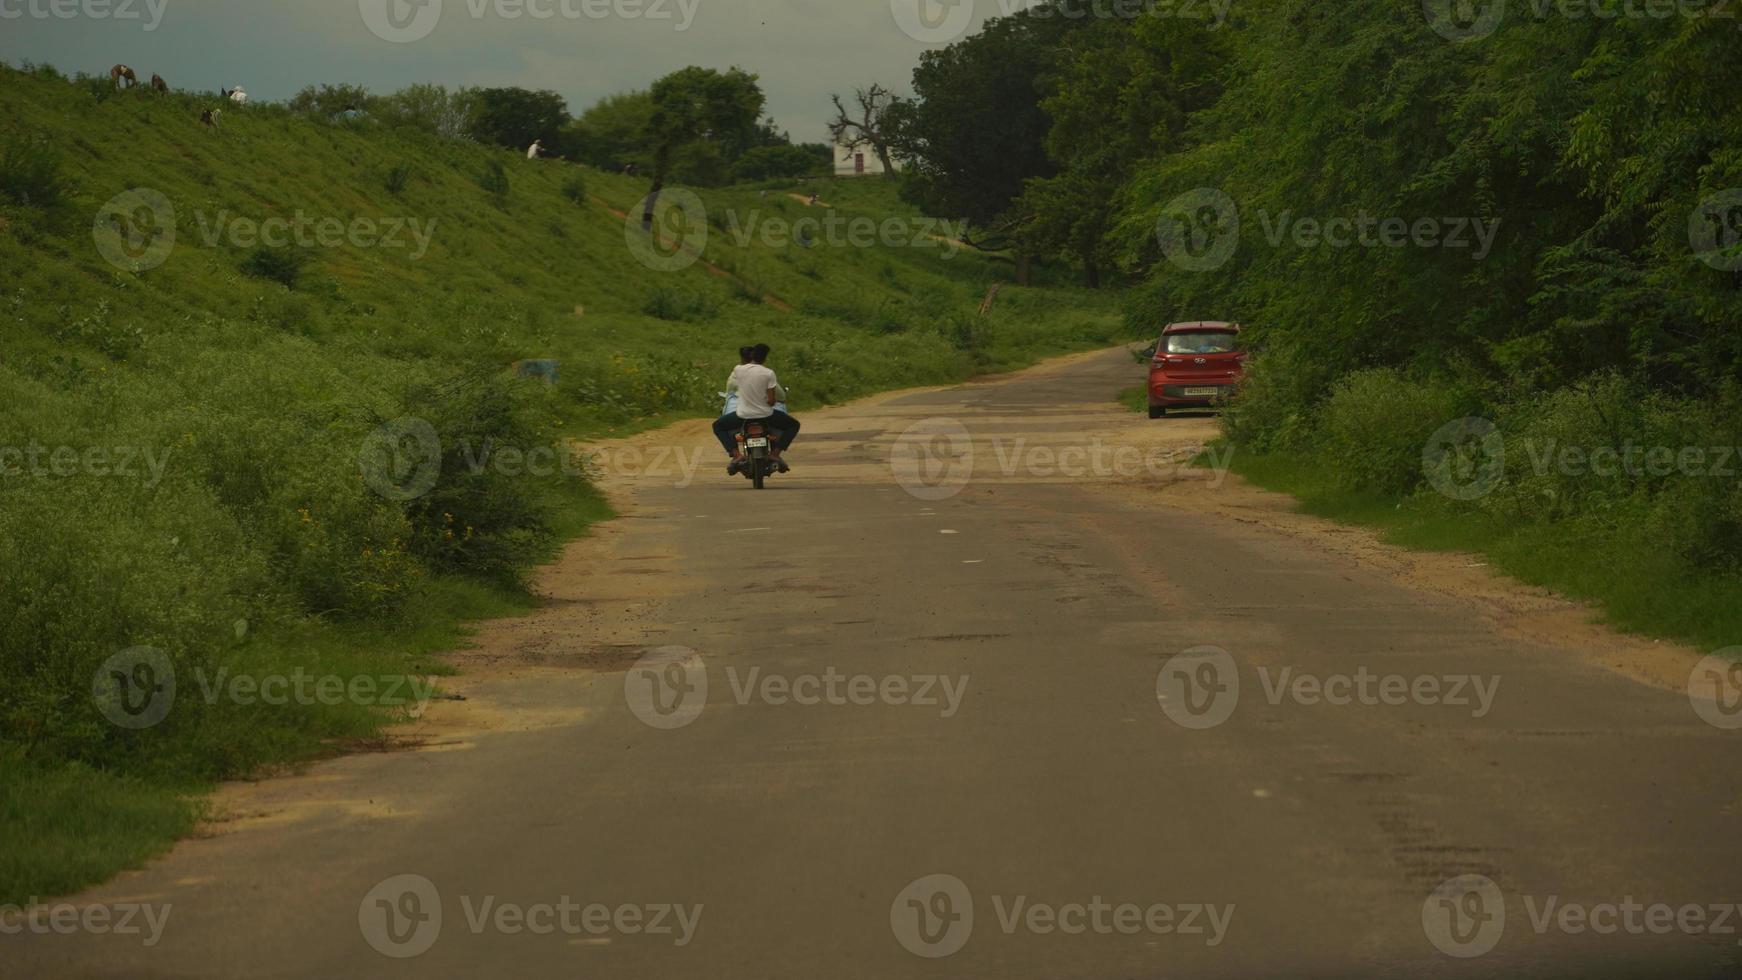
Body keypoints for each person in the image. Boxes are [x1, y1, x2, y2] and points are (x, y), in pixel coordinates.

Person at [713, 344, 800, 475]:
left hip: (743, 416)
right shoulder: (768, 373)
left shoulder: (738, 370)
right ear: (765, 359)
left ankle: (736, 455)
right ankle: (775, 454)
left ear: (751, 356)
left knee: (718, 426)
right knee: (794, 425)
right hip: (766, 416)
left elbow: (732, 389)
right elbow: (771, 401)